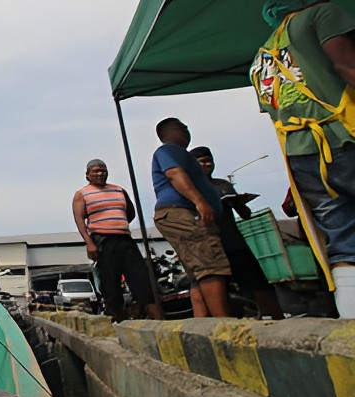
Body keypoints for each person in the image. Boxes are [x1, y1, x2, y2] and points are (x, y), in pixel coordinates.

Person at [251, 0, 355, 317]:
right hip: (341, 138)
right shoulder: (320, 15)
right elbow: (346, 65)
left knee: (341, 238)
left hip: (300, 156)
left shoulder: (261, 58)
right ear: (314, 0)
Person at [189, 146, 284, 319]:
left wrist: (239, 202)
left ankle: (275, 318)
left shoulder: (223, 185)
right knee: (208, 287)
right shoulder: (190, 189)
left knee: (256, 283)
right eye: (201, 162)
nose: (207, 164)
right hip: (208, 245)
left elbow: (245, 214)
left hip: (233, 241)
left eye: (209, 160)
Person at [150, 118, 233, 317]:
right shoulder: (169, 151)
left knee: (198, 273)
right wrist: (200, 201)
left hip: (182, 210)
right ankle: (225, 323)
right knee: (210, 265)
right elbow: (175, 174)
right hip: (184, 211)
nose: (188, 131)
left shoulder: (179, 154)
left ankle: (204, 323)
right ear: (173, 131)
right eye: (184, 127)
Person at [71, 159, 162, 322]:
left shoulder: (118, 190)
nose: (100, 173)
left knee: (141, 278)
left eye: (103, 170)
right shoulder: (82, 194)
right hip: (103, 240)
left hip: (125, 239)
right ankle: (118, 318)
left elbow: (130, 212)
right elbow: (79, 219)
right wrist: (89, 243)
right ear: (88, 175)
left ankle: (157, 318)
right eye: (96, 171)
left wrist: (117, 223)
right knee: (110, 282)